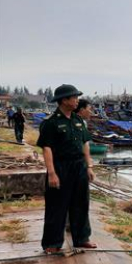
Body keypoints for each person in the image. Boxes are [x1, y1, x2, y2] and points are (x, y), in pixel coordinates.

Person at [36, 84, 97, 254]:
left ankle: (82, 238)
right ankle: (52, 242)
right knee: (57, 205)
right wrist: (52, 173)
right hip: (61, 166)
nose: (77, 100)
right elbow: (46, 148)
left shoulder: (78, 121)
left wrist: (89, 166)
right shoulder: (51, 123)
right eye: (74, 97)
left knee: (81, 203)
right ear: (64, 100)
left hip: (79, 166)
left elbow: (85, 144)